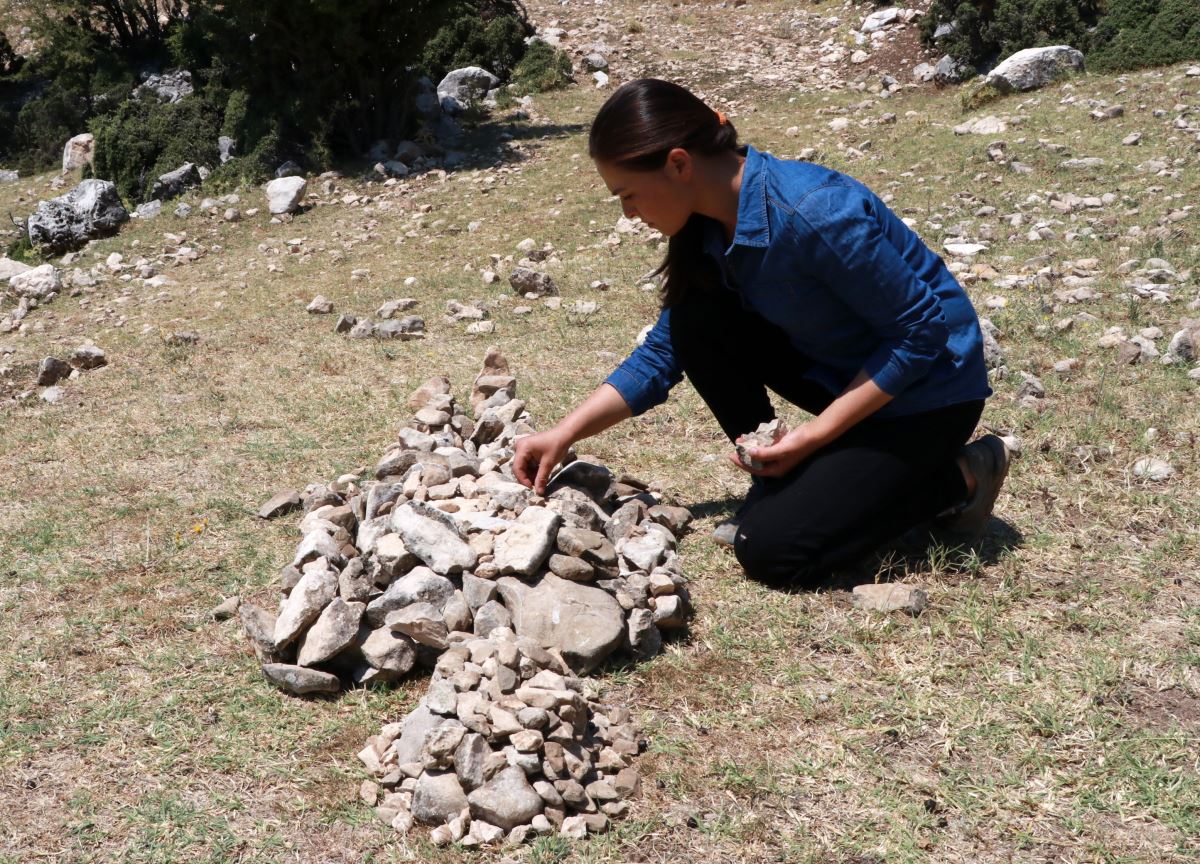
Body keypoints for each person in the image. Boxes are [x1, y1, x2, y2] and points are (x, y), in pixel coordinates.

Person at [512, 78, 1010, 589]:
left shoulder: (812, 212)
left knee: (772, 552)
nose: (629, 213)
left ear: (679, 164)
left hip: (928, 397)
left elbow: (920, 333)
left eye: (629, 194)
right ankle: (782, 473)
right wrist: (565, 432)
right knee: (698, 320)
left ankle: (963, 474)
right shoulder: (707, 226)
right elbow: (667, 349)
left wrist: (813, 436)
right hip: (847, 378)